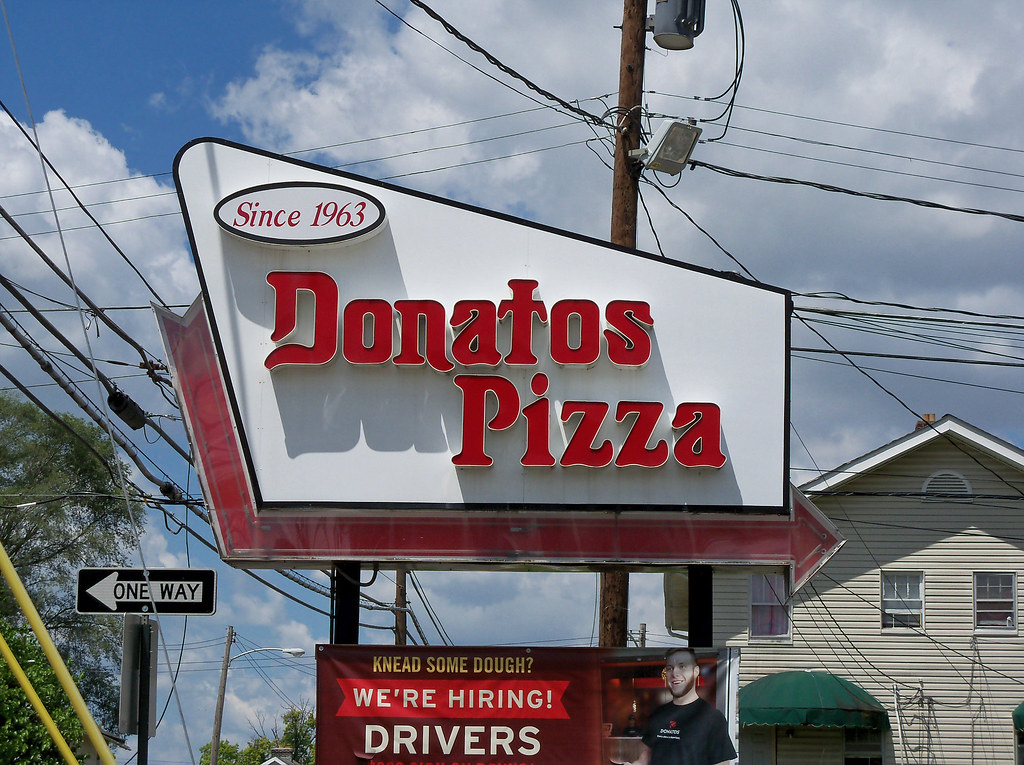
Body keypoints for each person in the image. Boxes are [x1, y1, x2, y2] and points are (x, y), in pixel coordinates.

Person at [612, 648, 737, 765]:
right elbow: (647, 755)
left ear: (695, 671)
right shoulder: (657, 714)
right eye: (670, 668)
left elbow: (722, 763)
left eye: (682, 666)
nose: (675, 673)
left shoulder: (712, 718)